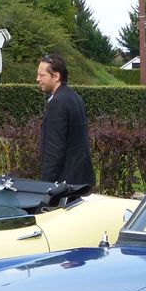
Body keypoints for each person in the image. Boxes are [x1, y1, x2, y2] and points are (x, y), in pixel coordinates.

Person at [36, 53, 94, 190]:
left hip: (64, 184)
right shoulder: (74, 96)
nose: (37, 79)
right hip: (81, 179)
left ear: (56, 76)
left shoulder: (58, 103)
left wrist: (45, 186)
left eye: (42, 75)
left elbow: (54, 149)